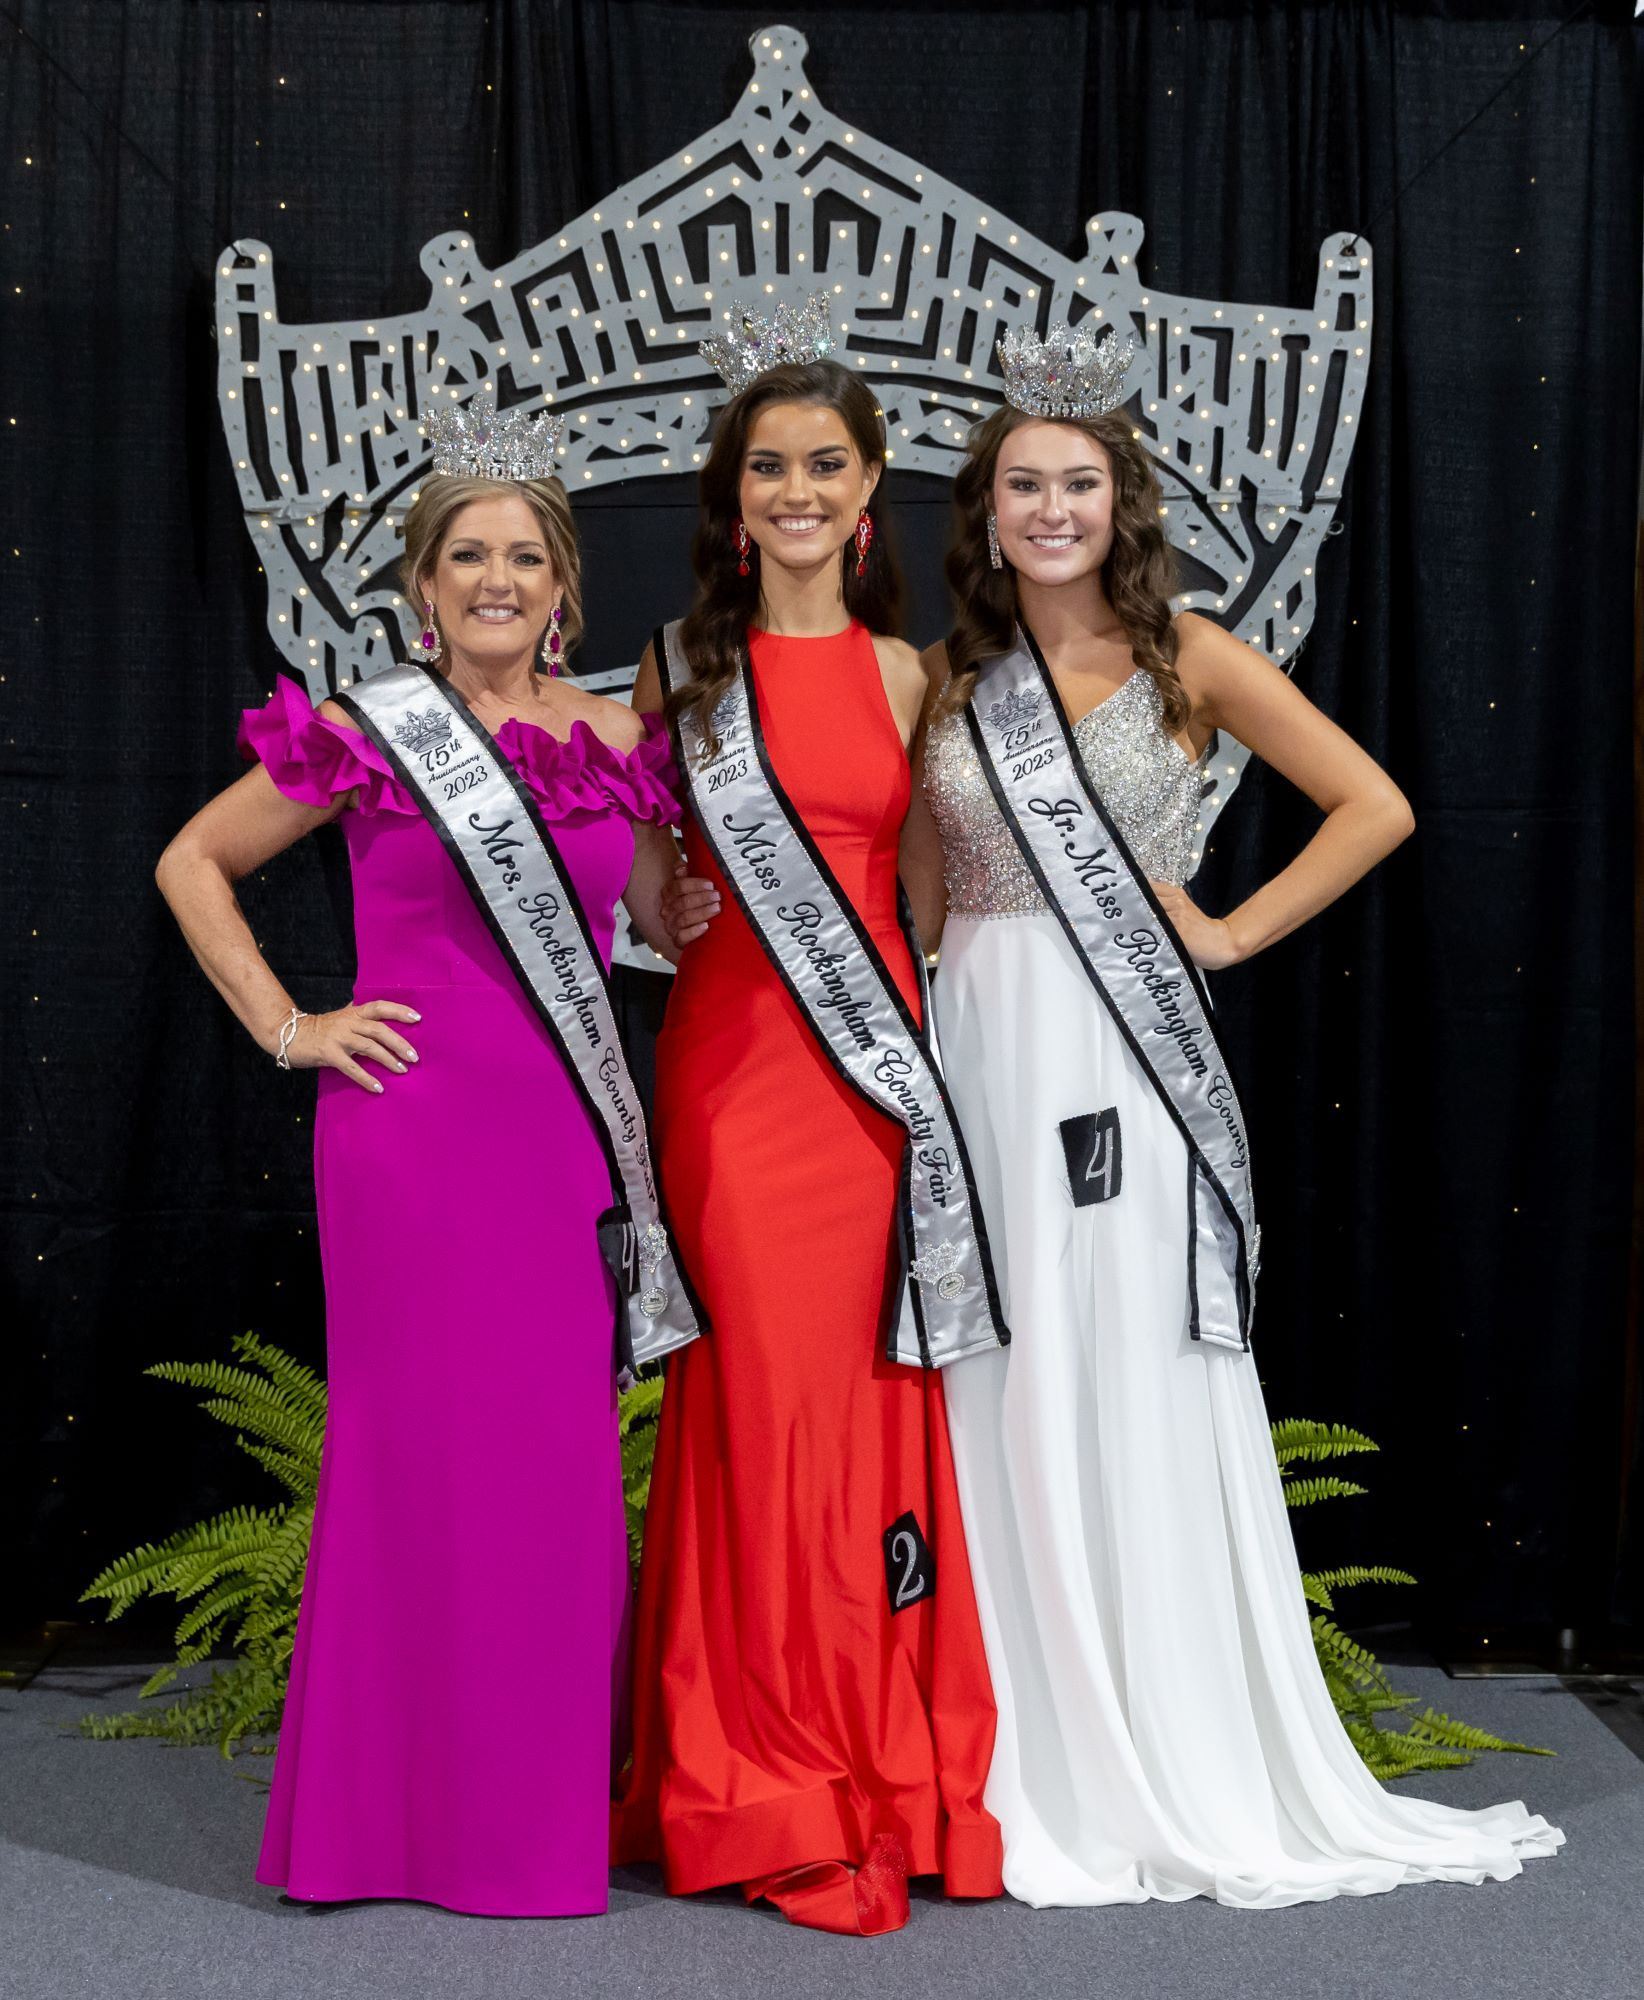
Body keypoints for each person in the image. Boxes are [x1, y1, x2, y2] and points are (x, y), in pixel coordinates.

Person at [910, 328, 1565, 1907]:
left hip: (1121, 1045)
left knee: (1117, 1349)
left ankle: (1159, 1740)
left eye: (1081, 483)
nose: (1052, 508)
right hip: (979, 1044)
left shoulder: (1187, 655)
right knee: (997, 1362)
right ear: (987, 513)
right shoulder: (949, 682)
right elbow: (924, 892)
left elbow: (1376, 803)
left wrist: (1223, 931)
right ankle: (1016, 1740)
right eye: (1024, 485)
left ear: (1120, 502)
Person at [155, 393, 694, 1916]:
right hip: (406, 1137)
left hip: (558, 1141)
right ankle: (379, 1830)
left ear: (565, 586)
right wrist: (289, 1025)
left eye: (525, 556)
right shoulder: (361, 730)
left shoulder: (613, 738)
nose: (498, 582)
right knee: (412, 1466)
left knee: (555, 1468)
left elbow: (663, 923)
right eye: (468, 557)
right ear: (421, 584)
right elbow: (193, 859)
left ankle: (528, 1822)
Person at [611, 311, 1007, 1937]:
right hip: (727, 1081)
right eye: (764, 465)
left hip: (869, 1086)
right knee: (760, 1419)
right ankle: (761, 1772)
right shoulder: (672, 667)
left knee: (856, 1421)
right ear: (733, 496)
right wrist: (671, 893)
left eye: (821, 464)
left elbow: (915, 904)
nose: (792, 488)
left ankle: (875, 1766)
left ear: (868, 493)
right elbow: (643, 895)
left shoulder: (915, 674)